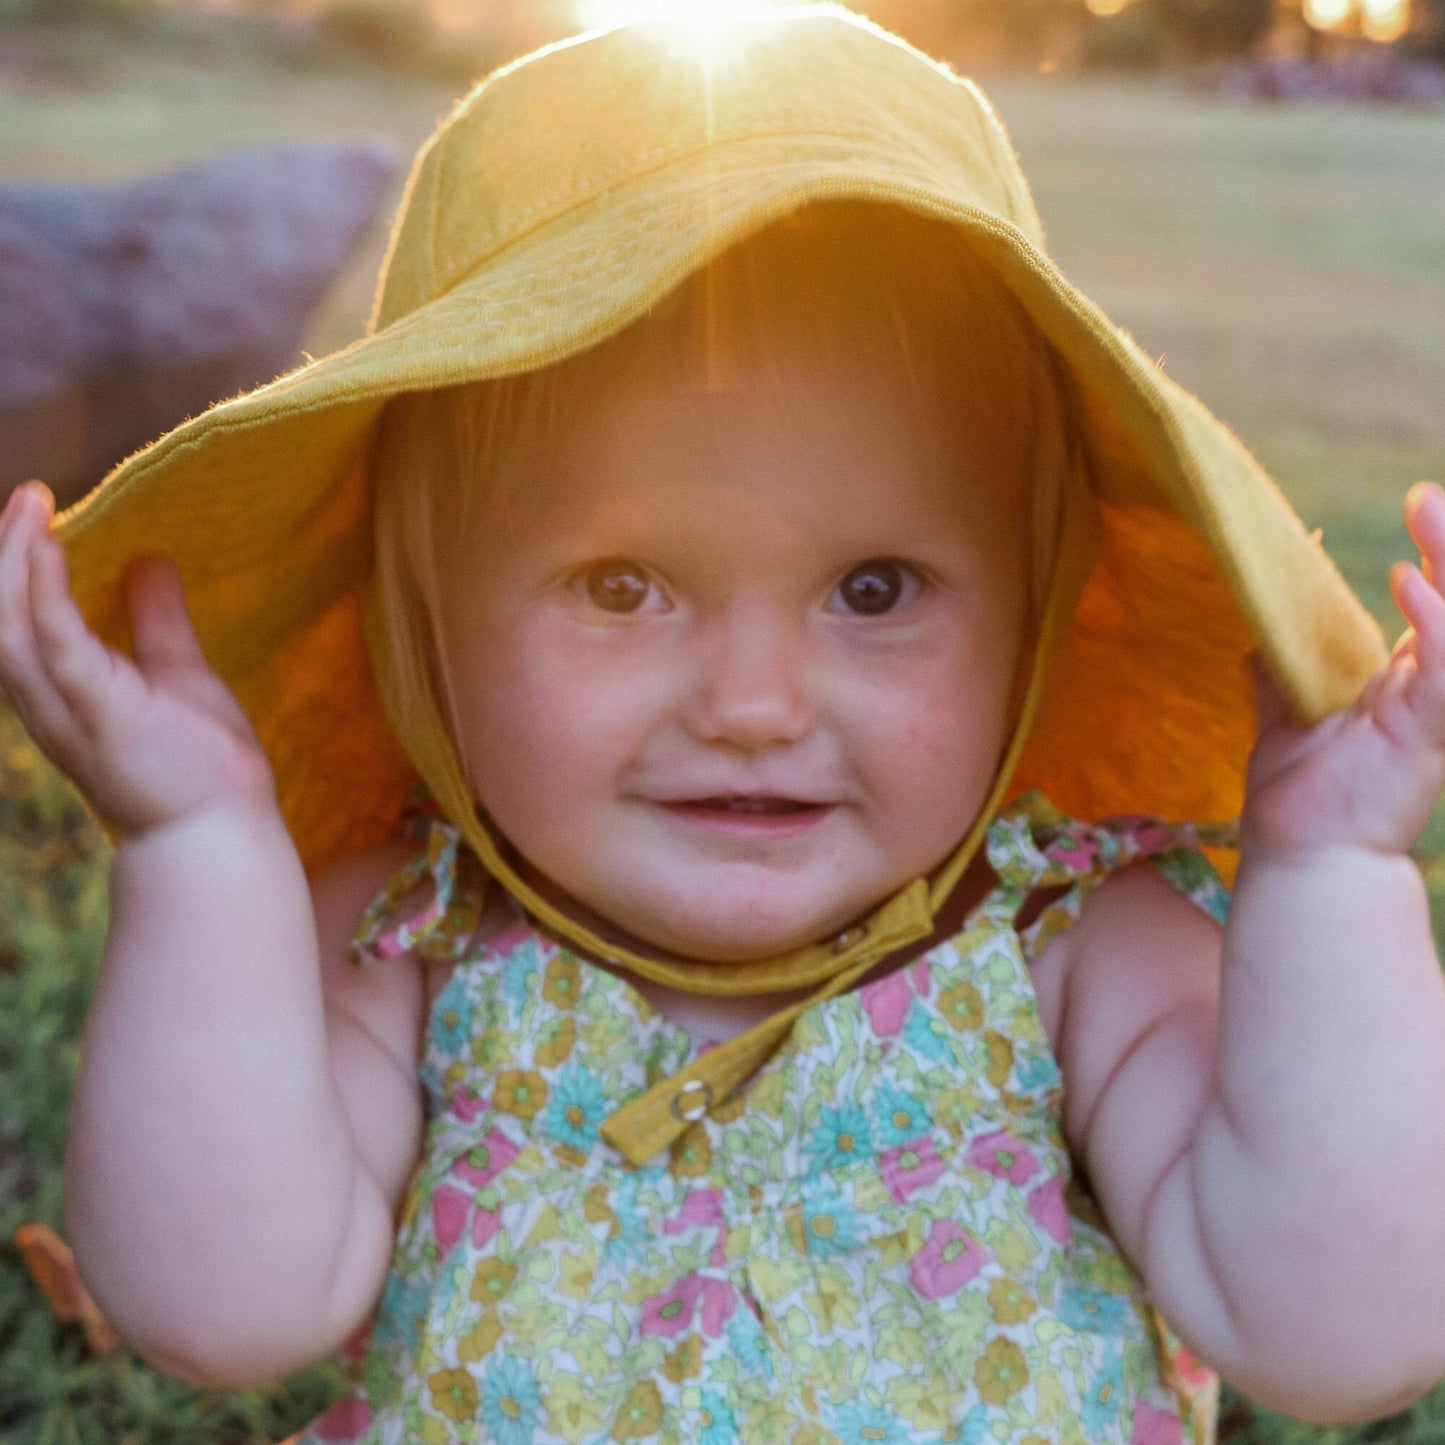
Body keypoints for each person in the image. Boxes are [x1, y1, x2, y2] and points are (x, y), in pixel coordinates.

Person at [3, 8, 1445, 1443]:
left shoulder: (1076, 948)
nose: (753, 707)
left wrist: (1330, 876)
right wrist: (198, 850)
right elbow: (216, 1307)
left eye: (873, 589)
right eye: (620, 586)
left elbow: (1335, 1336)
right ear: (418, 621)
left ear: (1037, 617)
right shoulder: (408, 942)